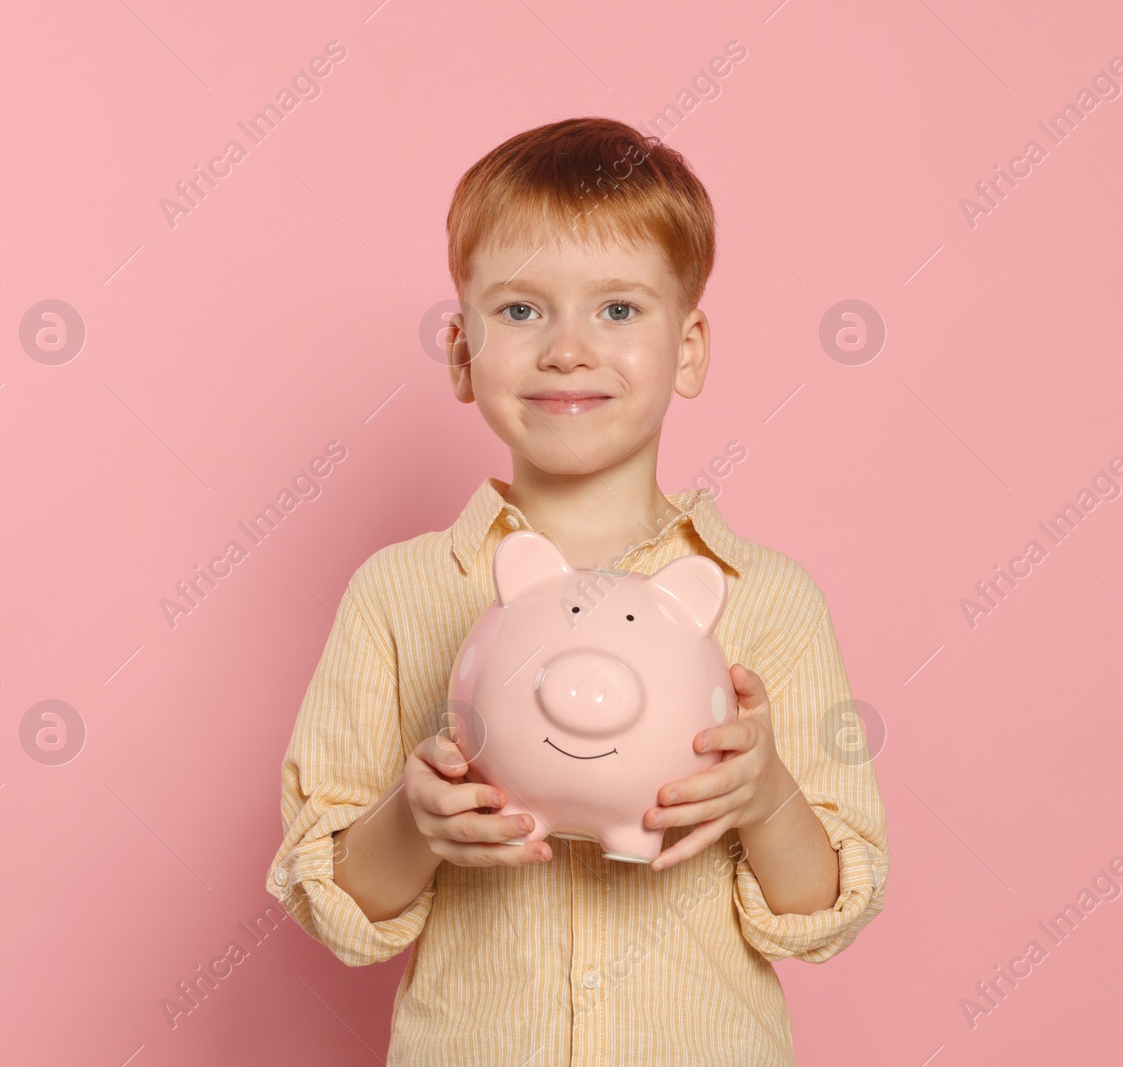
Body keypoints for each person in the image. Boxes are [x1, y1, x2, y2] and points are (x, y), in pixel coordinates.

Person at [267, 115, 888, 1066]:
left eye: (618, 310)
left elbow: (822, 913)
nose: (567, 349)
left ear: (688, 347)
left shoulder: (769, 599)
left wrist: (763, 799)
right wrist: (417, 818)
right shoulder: (399, 593)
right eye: (520, 311)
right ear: (463, 352)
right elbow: (338, 902)